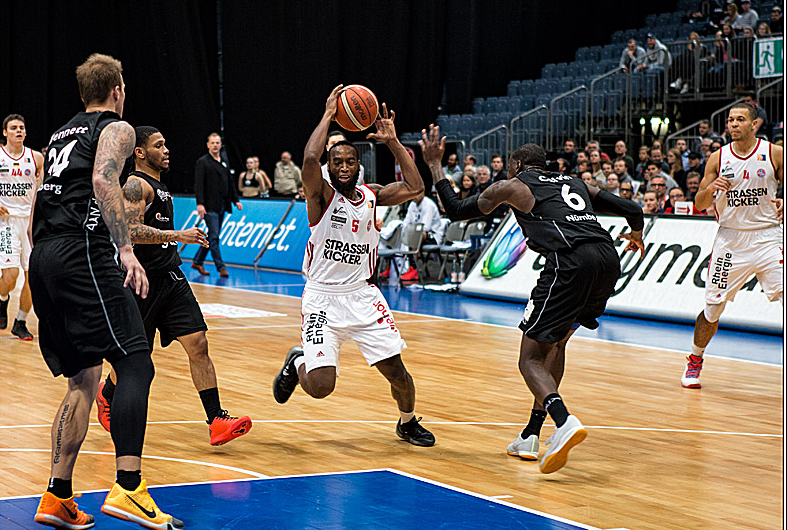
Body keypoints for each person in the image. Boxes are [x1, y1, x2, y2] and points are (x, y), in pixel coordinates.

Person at [420, 124, 644, 473]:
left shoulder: (513, 185)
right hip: (607, 258)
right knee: (557, 346)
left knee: (529, 358)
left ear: (516, 166)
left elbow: (454, 208)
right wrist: (637, 234)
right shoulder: (577, 183)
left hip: (569, 261)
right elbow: (631, 208)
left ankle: (564, 421)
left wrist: (435, 166)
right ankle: (531, 434)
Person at [29, 53, 182, 530]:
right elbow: (102, 179)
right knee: (136, 361)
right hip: (82, 252)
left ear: (81, 94)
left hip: (45, 255)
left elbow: (39, 194)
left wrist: (45, 261)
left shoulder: (60, 134)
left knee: (83, 378)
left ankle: (57, 495)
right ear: (118, 89)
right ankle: (129, 486)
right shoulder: (118, 129)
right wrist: (124, 248)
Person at [272, 85, 435, 447]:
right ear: (330, 168)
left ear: (358, 165)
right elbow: (309, 161)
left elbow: (416, 186)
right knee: (320, 388)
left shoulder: (373, 196)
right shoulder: (321, 197)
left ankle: (407, 423)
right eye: (337, 162)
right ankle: (297, 362)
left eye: (349, 162)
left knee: (398, 374)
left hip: (362, 296)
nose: (343, 167)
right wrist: (329, 113)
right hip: (322, 300)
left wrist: (392, 141)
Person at [95, 126, 252, 447]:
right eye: (159, 145)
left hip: (171, 276)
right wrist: (177, 235)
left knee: (198, 343)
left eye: (166, 144)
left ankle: (216, 420)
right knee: (136, 358)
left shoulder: (159, 186)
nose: (167, 150)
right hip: (140, 281)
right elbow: (129, 231)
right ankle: (107, 393)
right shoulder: (136, 185)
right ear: (139, 152)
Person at [682, 103, 783, 388]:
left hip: (767, 237)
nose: (733, 124)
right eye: (730, 120)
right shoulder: (718, 157)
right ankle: (695, 359)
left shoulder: (774, 153)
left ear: (755, 124)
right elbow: (700, 204)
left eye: (740, 119)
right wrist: (710, 190)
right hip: (730, 241)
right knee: (712, 310)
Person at [0, 114, 44, 341]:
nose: (19, 131)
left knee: (33, 277)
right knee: (11, 275)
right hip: (6, 222)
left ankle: (21, 321)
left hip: (30, 224)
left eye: (22, 128)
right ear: (5, 132)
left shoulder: (36, 158)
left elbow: (42, 191)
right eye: (14, 128)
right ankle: (2, 299)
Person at [191, 133, 242, 278]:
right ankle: (221, 267)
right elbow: (199, 184)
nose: (215, 145)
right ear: (208, 145)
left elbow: (229, 181)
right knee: (214, 237)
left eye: (217, 142)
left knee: (212, 236)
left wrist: (235, 200)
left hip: (222, 205)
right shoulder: (203, 162)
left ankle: (197, 261)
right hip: (209, 206)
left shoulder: (224, 161)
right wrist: (200, 203)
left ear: (220, 145)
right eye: (212, 142)